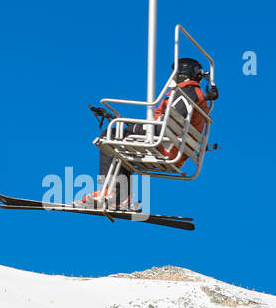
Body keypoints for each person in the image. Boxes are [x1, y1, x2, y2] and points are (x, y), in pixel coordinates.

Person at [82, 58, 214, 211]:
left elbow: (167, 125)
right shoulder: (194, 95)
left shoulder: (185, 93)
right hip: (173, 146)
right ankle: (121, 197)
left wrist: (134, 128)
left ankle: (111, 193)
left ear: (180, 75)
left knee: (109, 136)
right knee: (121, 141)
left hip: (167, 146)